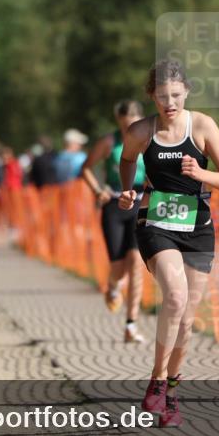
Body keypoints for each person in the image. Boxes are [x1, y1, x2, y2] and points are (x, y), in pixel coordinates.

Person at [119, 60, 219, 427]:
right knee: (174, 296)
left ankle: (171, 394)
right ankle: (157, 379)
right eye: (161, 96)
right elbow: (127, 160)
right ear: (151, 96)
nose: (169, 103)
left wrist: (200, 173)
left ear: (186, 91)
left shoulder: (202, 126)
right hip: (156, 223)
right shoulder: (141, 131)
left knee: (186, 321)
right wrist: (128, 190)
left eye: (175, 95)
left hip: (198, 227)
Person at [80, 100, 149, 343]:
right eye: (124, 124)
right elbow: (86, 168)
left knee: (136, 262)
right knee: (119, 269)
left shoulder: (148, 142)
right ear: (118, 121)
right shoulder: (109, 142)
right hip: (114, 205)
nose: (129, 128)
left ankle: (131, 325)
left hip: (140, 205)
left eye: (133, 123)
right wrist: (98, 191)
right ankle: (112, 285)